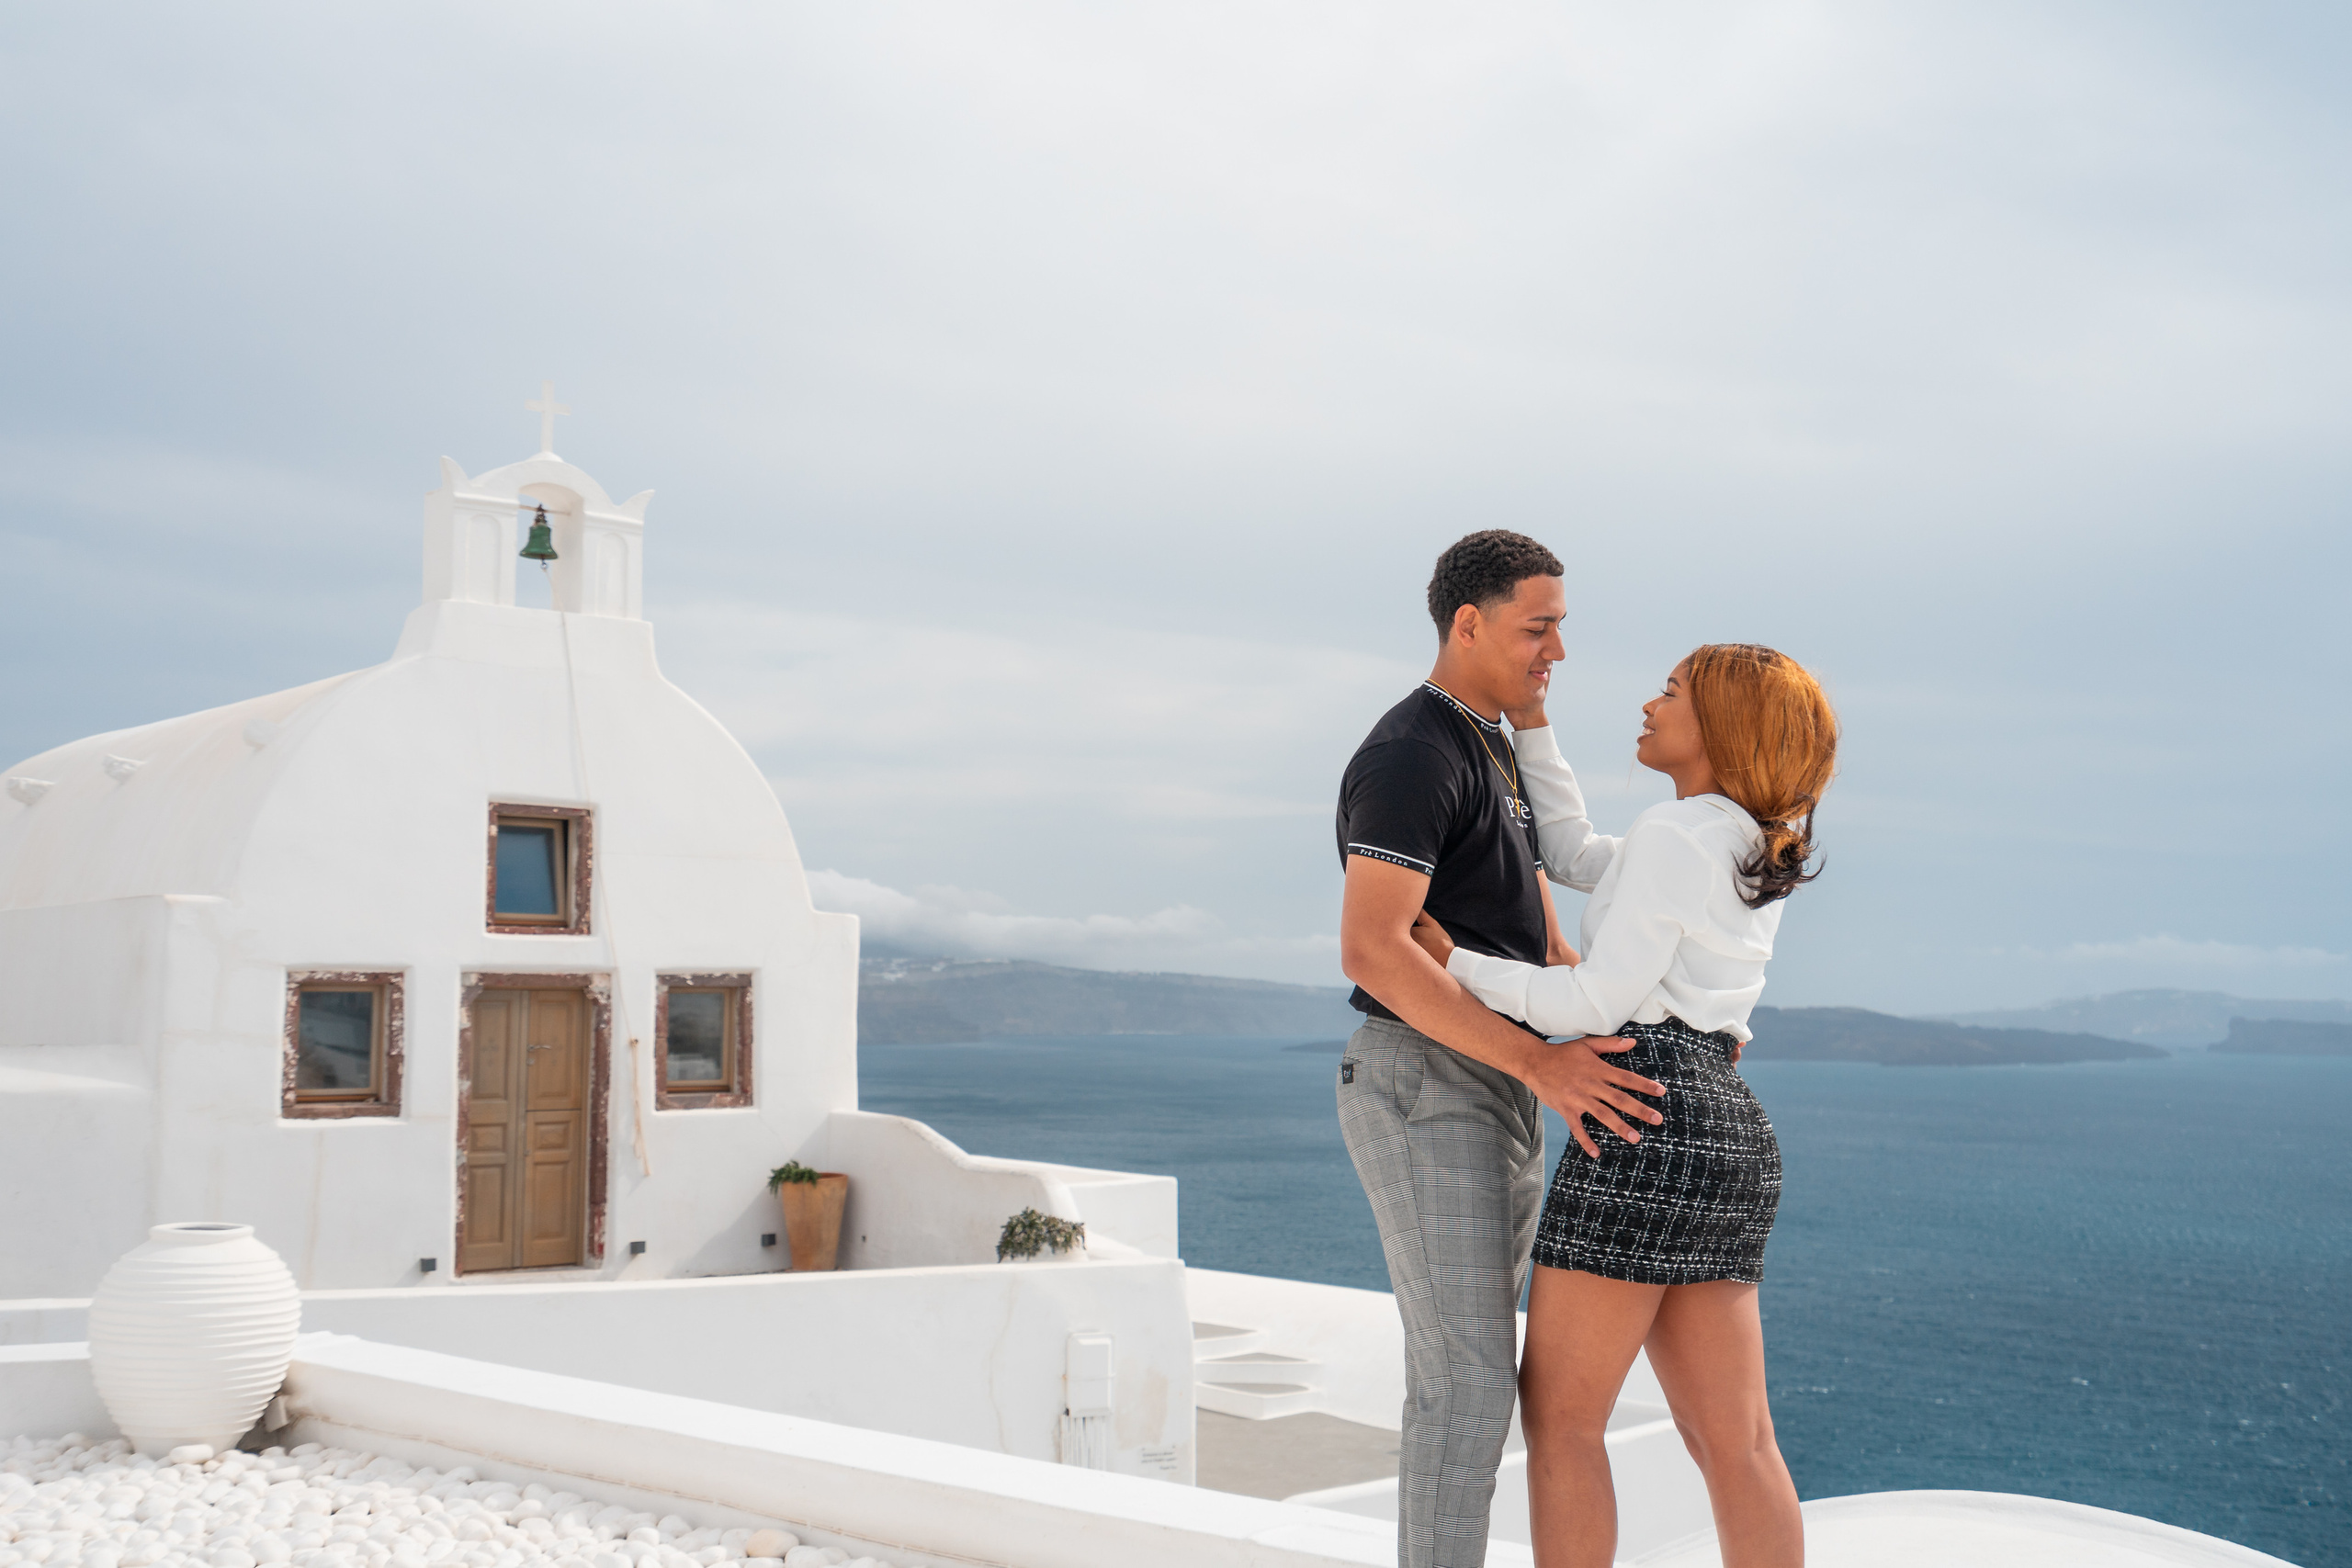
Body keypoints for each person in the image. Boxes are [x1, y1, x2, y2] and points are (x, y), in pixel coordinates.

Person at [1410, 643, 1838, 1568]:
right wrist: (1532, 727)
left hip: (1643, 1111)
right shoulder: (1741, 842)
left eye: (1672, 693)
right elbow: (1568, 853)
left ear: (1722, 725)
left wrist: (1448, 961)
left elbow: (1591, 1007)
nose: (1649, 703)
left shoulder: (1676, 836)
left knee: (1563, 1422)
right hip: (1727, 1123)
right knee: (1739, 1442)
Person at [1334, 531, 1668, 1568]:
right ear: (1467, 624)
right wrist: (1540, 1063)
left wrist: (1596, 1049)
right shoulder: (1412, 755)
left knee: (1483, 1378)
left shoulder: (1491, 747)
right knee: (1465, 1384)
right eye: (1539, 627)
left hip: (1497, 1088)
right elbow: (1375, 949)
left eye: (1561, 627)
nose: (1557, 650)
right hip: (1423, 1082)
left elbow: (1536, 933)